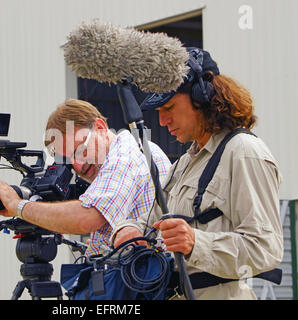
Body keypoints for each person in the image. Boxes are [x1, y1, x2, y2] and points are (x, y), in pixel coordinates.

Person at [112, 48, 284, 300]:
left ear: (202, 98)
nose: (162, 121)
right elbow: (152, 221)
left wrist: (195, 243)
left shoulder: (244, 153)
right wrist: (127, 230)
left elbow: (266, 249)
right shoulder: (184, 164)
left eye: (169, 107)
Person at [0, 99, 171, 256]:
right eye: (67, 160)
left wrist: (18, 205)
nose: (78, 165)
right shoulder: (136, 151)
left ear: (100, 127)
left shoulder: (125, 155)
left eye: (80, 150)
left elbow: (86, 219)